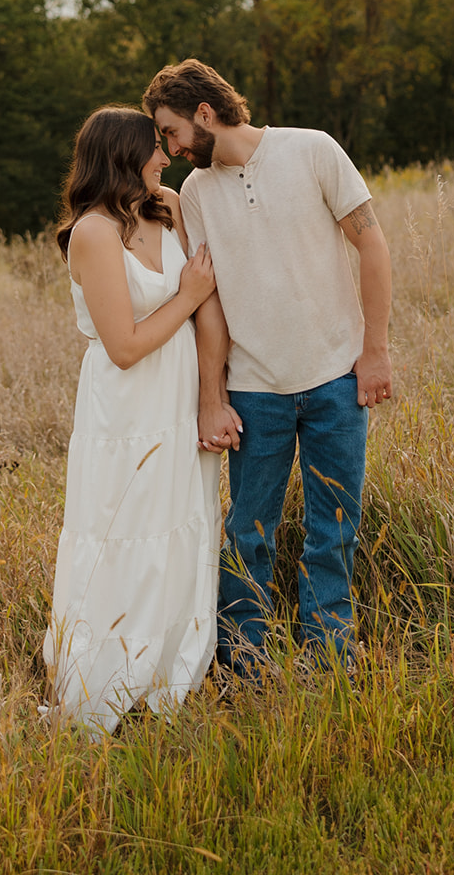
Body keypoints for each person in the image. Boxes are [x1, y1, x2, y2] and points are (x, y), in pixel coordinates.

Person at [143, 60, 392, 673]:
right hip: (255, 393)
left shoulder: (313, 151)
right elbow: (211, 300)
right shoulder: (196, 196)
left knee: (333, 527)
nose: (171, 150)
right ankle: (247, 665)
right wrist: (212, 394)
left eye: (172, 133)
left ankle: (331, 661)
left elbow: (373, 243)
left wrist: (376, 350)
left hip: (337, 377)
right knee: (247, 534)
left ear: (205, 114)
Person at [43, 106, 223, 733]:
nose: (165, 155)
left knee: (183, 524)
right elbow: (123, 346)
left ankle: (172, 678)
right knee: (127, 533)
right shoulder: (93, 232)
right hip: (125, 409)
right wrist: (190, 295)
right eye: (154, 147)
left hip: (178, 397)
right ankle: (111, 682)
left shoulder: (167, 205)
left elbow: (206, 308)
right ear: (122, 154)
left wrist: (212, 392)